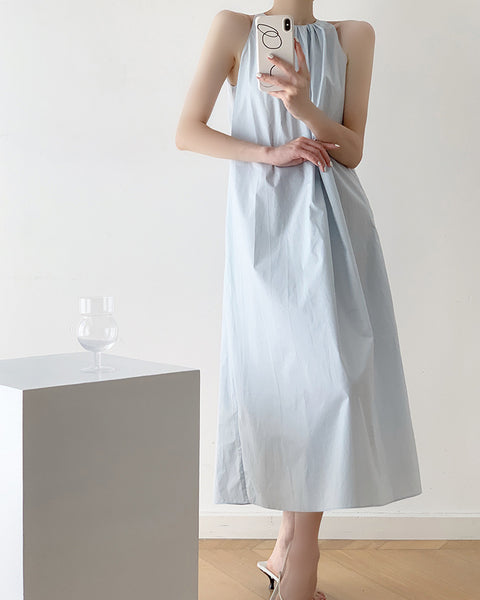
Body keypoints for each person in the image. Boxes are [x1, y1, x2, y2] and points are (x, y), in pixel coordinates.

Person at [175, 3, 422, 600]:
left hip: (336, 222)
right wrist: (269, 153)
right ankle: (296, 557)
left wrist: (304, 106)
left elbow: (352, 149)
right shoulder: (235, 28)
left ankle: (292, 550)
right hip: (265, 226)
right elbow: (188, 130)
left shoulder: (355, 35)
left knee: (332, 384)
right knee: (291, 384)